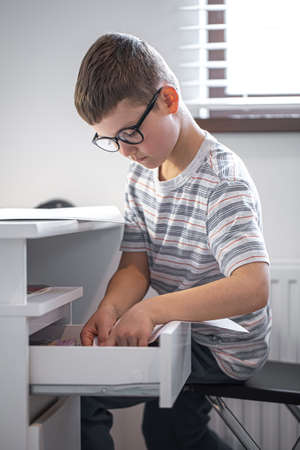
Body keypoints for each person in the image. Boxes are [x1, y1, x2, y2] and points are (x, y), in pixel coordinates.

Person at [74, 33, 271, 450]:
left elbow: (252, 286)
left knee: (92, 394)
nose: (125, 151)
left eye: (130, 133)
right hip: (179, 330)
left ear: (168, 100)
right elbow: (134, 266)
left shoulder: (221, 181)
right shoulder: (140, 174)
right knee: (165, 434)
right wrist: (110, 308)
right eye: (111, 141)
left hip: (222, 345)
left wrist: (152, 310)